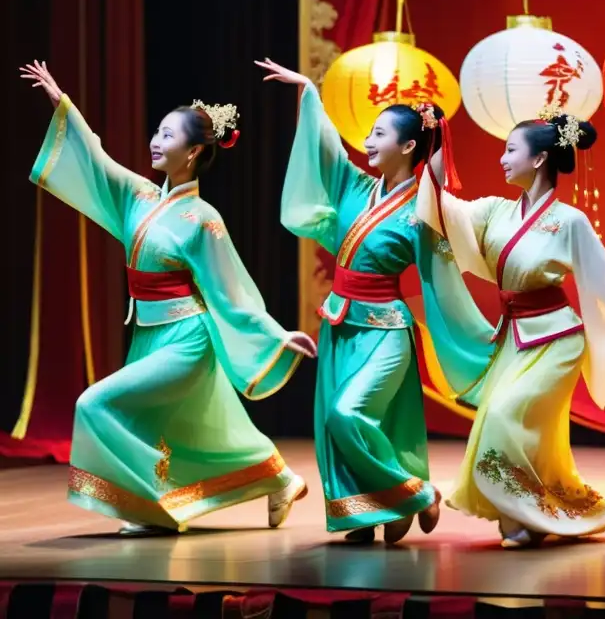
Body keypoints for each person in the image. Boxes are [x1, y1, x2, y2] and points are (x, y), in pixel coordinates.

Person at [21, 60, 317, 536]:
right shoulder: (139, 196)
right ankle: (280, 480)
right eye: (157, 132)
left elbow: (231, 292)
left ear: (195, 151)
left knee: (94, 404)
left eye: (168, 135)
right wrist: (63, 106)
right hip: (149, 335)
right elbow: (97, 162)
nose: (156, 141)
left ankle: (148, 507)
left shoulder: (203, 219)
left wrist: (277, 335)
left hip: (187, 341)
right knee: (203, 433)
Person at [416, 109, 605, 549]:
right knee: (524, 431)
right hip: (512, 338)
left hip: (557, 340)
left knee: (503, 414)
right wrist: (438, 138)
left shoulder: (570, 221)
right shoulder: (494, 211)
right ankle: (533, 512)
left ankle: (520, 515)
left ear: (538, 160)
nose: (501, 159)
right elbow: (438, 206)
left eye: (511, 150)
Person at [257, 58, 495, 544]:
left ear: (408, 146)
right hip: (340, 326)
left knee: (350, 413)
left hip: (387, 331)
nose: (367, 140)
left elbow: (444, 275)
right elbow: (325, 151)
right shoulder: (356, 187)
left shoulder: (424, 210)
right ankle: (364, 513)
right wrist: (309, 94)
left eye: (379, 133)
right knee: (332, 422)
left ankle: (413, 493)